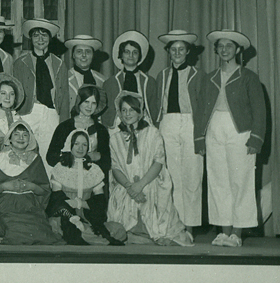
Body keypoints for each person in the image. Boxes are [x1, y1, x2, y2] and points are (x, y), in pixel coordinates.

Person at [194, 30, 266, 248]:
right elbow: (200, 110)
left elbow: (259, 111)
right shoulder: (209, 78)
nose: (224, 49)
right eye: (221, 46)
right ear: (216, 50)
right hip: (214, 128)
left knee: (241, 181)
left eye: (229, 46)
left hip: (240, 131)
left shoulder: (249, 77)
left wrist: (255, 139)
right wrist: (199, 138)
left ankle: (237, 233)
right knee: (218, 181)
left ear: (238, 50)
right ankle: (224, 232)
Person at [107, 92, 193, 246]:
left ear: (140, 112)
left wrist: (140, 185)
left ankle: (147, 233)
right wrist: (130, 187)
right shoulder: (115, 139)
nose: (127, 114)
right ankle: (133, 233)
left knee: (151, 201)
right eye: (124, 110)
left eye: (132, 110)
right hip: (126, 186)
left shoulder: (153, 133)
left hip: (149, 182)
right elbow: (115, 168)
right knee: (121, 218)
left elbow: (158, 163)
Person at [150, 30, 204, 231]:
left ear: (188, 52)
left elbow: (202, 106)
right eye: (174, 49)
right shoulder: (162, 75)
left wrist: (201, 133)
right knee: (171, 176)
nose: (177, 53)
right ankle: (175, 225)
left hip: (190, 122)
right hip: (168, 122)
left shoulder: (198, 74)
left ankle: (189, 227)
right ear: (168, 52)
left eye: (181, 49)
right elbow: (157, 104)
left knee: (192, 175)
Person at [0, 120, 63, 245]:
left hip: (29, 205)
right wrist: (4, 186)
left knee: (38, 232)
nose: (21, 138)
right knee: (9, 231)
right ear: (9, 139)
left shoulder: (35, 158)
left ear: (30, 139)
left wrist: (31, 186)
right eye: (16, 134)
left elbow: (44, 190)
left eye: (25, 135)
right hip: (4, 205)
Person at [47, 130, 123, 246]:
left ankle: (87, 234)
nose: (80, 148)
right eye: (76, 144)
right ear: (70, 145)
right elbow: (57, 199)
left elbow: (100, 201)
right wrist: (72, 211)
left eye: (84, 145)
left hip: (87, 215)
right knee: (59, 226)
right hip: (66, 215)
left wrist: (80, 204)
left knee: (118, 229)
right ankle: (87, 235)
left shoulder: (94, 169)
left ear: (88, 147)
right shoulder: (60, 168)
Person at [13, 18, 68, 166]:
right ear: (31, 39)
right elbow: (15, 93)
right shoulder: (20, 63)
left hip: (51, 112)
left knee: (50, 156)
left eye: (44, 35)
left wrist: (64, 123)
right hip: (28, 112)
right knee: (24, 155)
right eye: (36, 35)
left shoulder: (59, 64)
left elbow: (64, 96)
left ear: (50, 38)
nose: (40, 39)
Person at [46, 85, 111, 183]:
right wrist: (72, 158)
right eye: (86, 102)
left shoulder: (101, 130)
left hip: (92, 179)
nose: (89, 107)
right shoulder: (65, 127)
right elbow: (50, 157)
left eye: (93, 103)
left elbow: (107, 162)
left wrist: (98, 157)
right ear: (79, 102)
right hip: (67, 178)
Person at [102, 30, 157, 129]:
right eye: (127, 52)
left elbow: (153, 109)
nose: (131, 56)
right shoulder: (110, 83)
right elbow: (107, 113)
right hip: (117, 127)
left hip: (143, 126)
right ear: (121, 55)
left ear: (140, 56)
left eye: (135, 52)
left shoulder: (150, 82)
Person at [64, 35, 106, 110]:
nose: (84, 55)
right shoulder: (64, 78)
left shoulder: (102, 80)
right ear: (73, 55)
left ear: (93, 55)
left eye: (88, 52)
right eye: (79, 51)